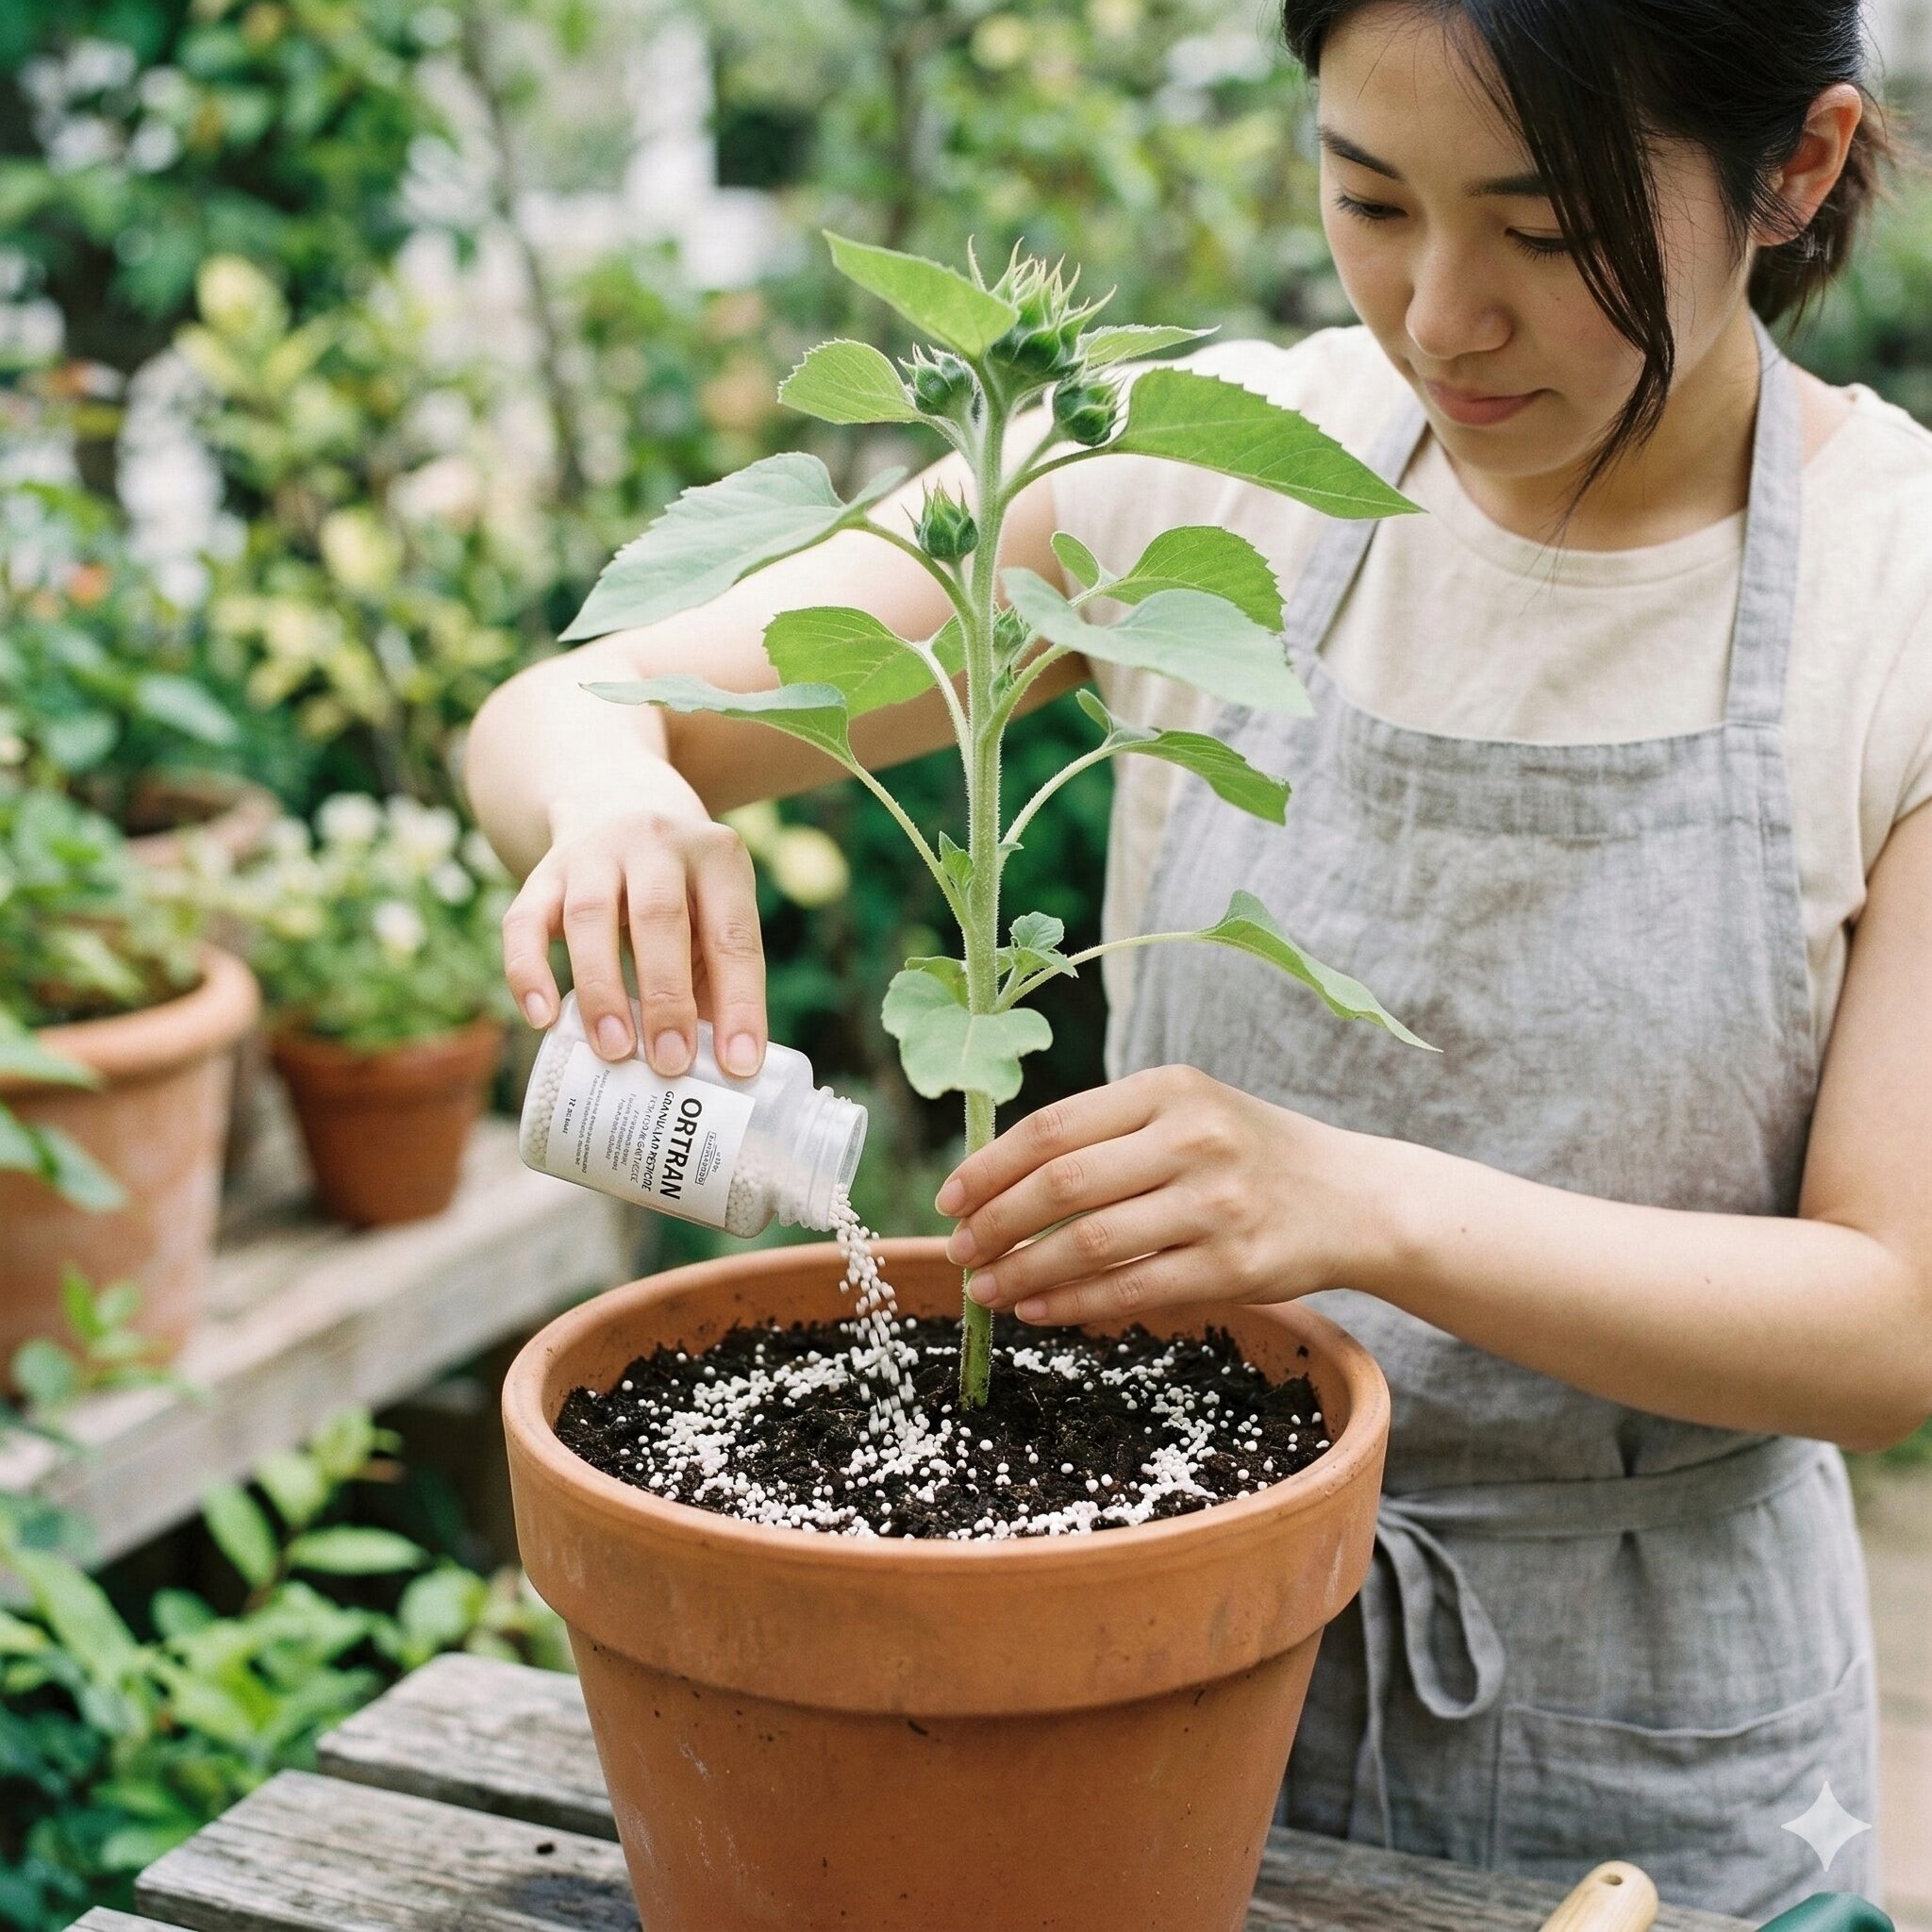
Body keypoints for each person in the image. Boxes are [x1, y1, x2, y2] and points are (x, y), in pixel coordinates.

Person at [465, 0, 1932, 1916]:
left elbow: (1885, 1320)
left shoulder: (1893, 599)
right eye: (1367, 198)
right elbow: (574, 706)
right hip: (1133, 1635)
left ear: (1797, 167)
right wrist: (609, 801)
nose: (1438, 315)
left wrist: (1355, 1200)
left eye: (1544, 226)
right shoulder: (1203, 478)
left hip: (1655, 1736)